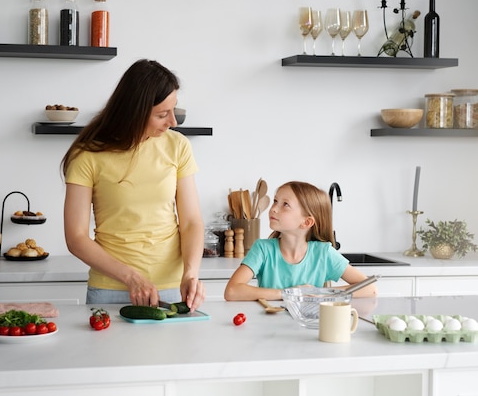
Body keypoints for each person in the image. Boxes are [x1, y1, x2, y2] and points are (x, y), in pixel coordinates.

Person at [61, 59, 205, 310]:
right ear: (135, 112)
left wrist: (190, 273)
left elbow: (191, 221)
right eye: (162, 114)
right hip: (112, 290)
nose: (173, 121)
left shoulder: (178, 146)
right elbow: (76, 237)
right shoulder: (87, 155)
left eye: (174, 110)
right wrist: (131, 278)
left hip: (172, 289)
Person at [224, 181, 377, 301]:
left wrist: (320, 293)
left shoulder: (323, 253)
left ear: (306, 222)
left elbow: (369, 289)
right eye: (276, 201)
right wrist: (288, 293)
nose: (274, 208)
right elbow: (232, 291)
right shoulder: (263, 249)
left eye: (285, 204)